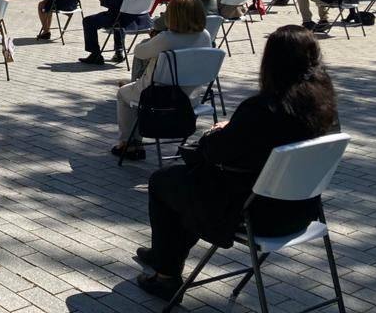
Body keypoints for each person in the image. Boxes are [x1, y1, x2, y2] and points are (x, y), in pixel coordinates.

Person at [134, 25, 338, 301]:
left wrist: (215, 132)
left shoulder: (265, 108)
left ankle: (167, 274)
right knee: (183, 183)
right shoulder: (324, 106)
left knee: (164, 181)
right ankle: (162, 254)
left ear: (272, 62)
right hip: (301, 209)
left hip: (254, 213)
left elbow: (218, 153)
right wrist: (235, 130)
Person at [113, 0, 212, 161]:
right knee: (134, 90)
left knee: (123, 94)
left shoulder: (166, 38)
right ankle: (134, 142)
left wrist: (151, 40)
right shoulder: (205, 36)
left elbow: (139, 52)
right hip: (190, 97)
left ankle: (128, 144)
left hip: (157, 96)